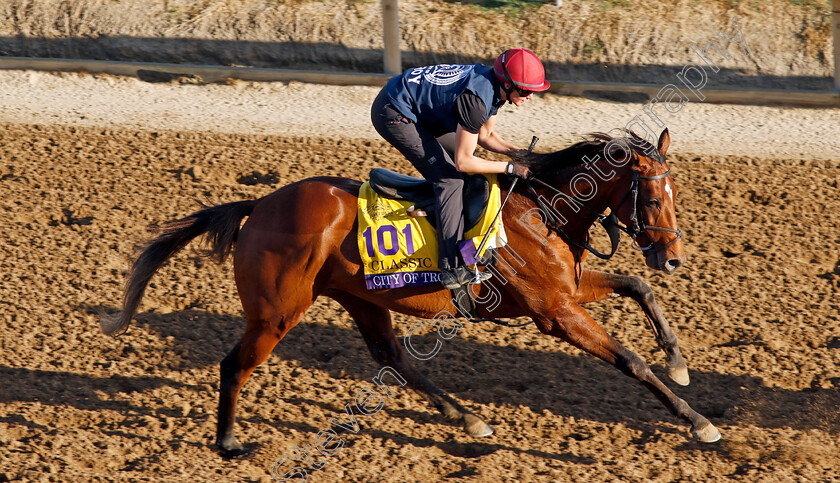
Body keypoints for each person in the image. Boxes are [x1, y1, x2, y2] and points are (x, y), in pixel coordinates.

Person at [370, 48, 550, 290]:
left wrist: (518, 154)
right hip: (393, 110)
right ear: (507, 84)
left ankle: (438, 210)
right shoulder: (476, 101)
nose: (530, 96)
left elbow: (485, 135)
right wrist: (509, 168)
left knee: (470, 168)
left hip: (417, 106)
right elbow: (463, 162)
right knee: (451, 180)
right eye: (526, 90)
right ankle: (451, 268)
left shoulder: (493, 86)